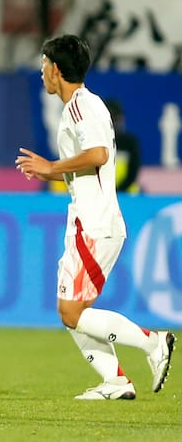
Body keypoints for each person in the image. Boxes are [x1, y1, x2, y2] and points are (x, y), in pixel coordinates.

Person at [15, 34, 175, 400]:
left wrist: (53, 164)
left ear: (56, 69)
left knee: (71, 311)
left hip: (94, 223)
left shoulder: (79, 108)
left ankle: (153, 343)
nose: (41, 73)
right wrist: (49, 172)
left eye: (43, 65)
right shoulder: (87, 105)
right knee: (71, 308)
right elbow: (87, 166)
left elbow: (99, 154)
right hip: (91, 221)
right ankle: (116, 382)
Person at [105, 98, 141, 192]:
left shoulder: (130, 142)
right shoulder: (96, 141)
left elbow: (133, 172)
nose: (115, 123)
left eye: (117, 118)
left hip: (126, 191)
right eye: (112, 118)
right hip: (102, 192)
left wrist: (119, 190)